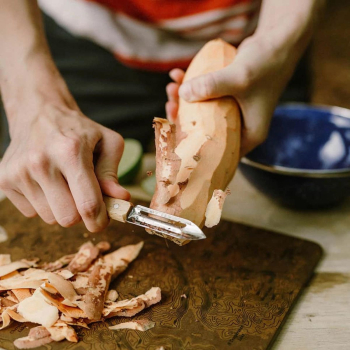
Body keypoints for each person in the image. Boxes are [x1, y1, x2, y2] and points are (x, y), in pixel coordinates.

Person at [0, 0, 323, 232]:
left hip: (259, 48)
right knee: (57, 178)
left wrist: (280, 44)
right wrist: (35, 103)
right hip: (67, 38)